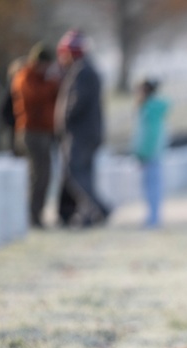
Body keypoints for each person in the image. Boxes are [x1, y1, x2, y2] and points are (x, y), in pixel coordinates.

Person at [54, 29, 110, 227]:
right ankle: (89, 214)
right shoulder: (87, 70)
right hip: (88, 133)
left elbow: (77, 101)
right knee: (84, 174)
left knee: (75, 173)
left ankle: (99, 208)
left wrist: (64, 118)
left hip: (80, 133)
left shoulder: (82, 72)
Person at [11, 43, 61, 228]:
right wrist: (53, 84)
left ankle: (37, 213)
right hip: (31, 131)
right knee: (38, 175)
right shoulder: (25, 77)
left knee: (44, 175)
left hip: (43, 132)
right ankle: (32, 215)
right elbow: (35, 96)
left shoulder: (41, 78)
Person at [131, 78, 171, 228]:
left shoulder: (149, 110)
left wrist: (141, 153)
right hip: (152, 153)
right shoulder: (151, 108)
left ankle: (153, 220)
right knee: (152, 187)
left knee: (152, 187)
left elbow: (148, 136)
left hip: (150, 154)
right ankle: (152, 218)